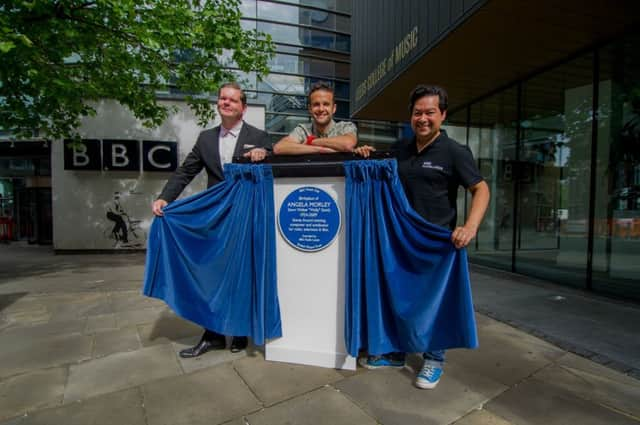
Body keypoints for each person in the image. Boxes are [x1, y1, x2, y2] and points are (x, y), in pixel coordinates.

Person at [355, 84, 490, 390]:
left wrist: (469, 227)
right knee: (400, 297)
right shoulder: (400, 148)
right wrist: (365, 153)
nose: (423, 118)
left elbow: (481, 189)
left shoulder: (455, 152)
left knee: (435, 304)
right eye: (418, 113)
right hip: (402, 239)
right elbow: (377, 170)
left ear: (442, 114)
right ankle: (396, 353)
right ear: (410, 116)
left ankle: (434, 359)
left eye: (430, 112)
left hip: (438, 242)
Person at [152, 82, 270, 358]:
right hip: (216, 217)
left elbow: (273, 168)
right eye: (222, 99)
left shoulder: (260, 137)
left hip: (246, 217)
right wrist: (164, 198)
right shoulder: (206, 139)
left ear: (243, 107)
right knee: (213, 275)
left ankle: (240, 331)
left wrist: (264, 155)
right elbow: (185, 172)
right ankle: (214, 335)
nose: (226, 103)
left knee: (242, 273)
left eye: (232, 100)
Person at [273, 82, 357, 155]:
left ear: (334, 108)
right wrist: (320, 149)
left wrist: (313, 142)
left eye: (326, 104)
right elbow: (279, 148)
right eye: (316, 104)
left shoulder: (345, 127)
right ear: (310, 108)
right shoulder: (303, 130)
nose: (321, 109)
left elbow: (348, 144)